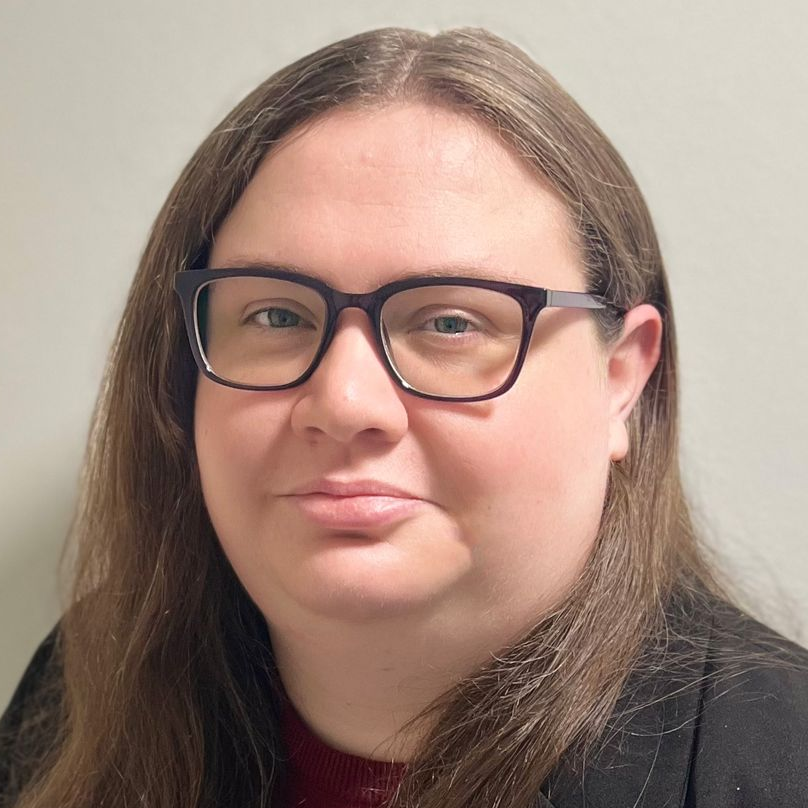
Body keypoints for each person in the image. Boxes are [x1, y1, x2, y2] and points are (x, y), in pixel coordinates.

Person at [1, 25, 807, 808]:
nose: (345, 402)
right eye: (277, 316)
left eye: (451, 323)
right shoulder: (84, 690)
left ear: (621, 380)